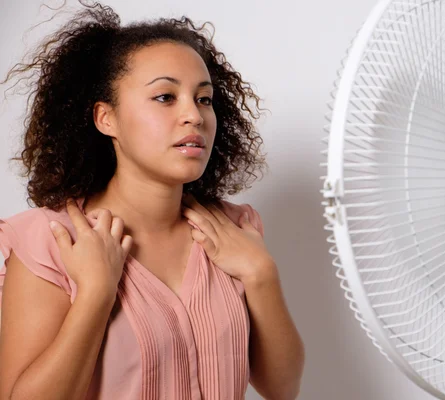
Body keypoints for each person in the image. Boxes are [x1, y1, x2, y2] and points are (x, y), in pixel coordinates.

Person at [0, 2, 305, 399]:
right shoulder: (51, 240)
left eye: (204, 99)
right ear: (105, 118)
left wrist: (261, 273)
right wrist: (95, 294)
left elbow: (282, 389)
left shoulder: (235, 230)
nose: (193, 116)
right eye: (165, 97)